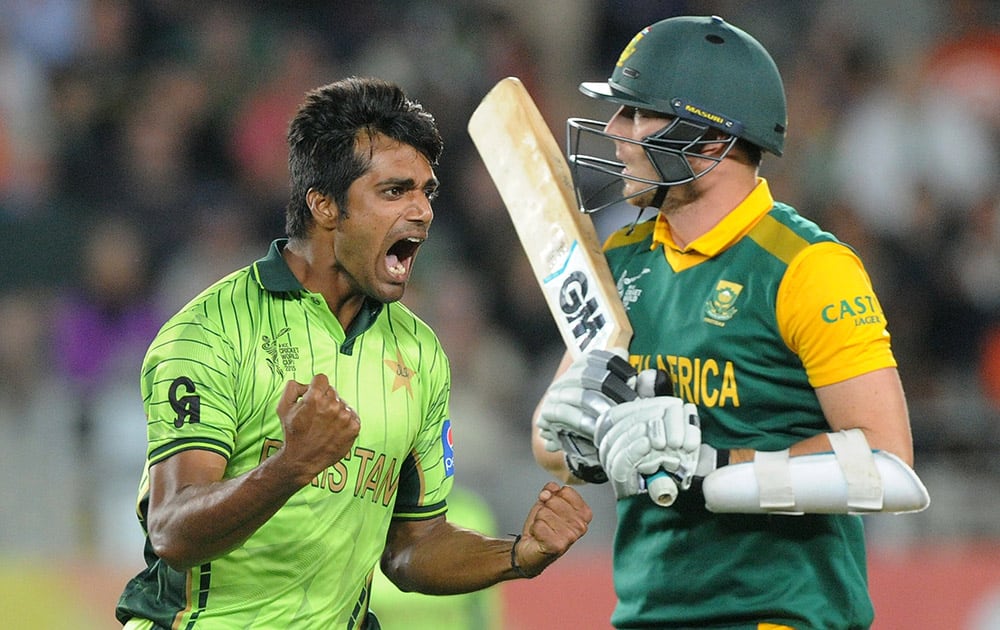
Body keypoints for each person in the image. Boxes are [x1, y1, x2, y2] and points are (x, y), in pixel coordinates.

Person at [115, 77, 592, 629]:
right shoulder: (211, 331)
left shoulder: (420, 351)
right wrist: (291, 466)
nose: (422, 212)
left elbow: (411, 546)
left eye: (426, 191)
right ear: (324, 206)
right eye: (395, 191)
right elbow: (173, 530)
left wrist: (514, 556)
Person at [532, 15, 928, 630]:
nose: (615, 132)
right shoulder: (619, 260)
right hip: (647, 613)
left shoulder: (807, 268)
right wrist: (581, 441)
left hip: (782, 614)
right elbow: (551, 437)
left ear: (711, 141)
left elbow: (889, 466)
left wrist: (716, 468)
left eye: (638, 114)